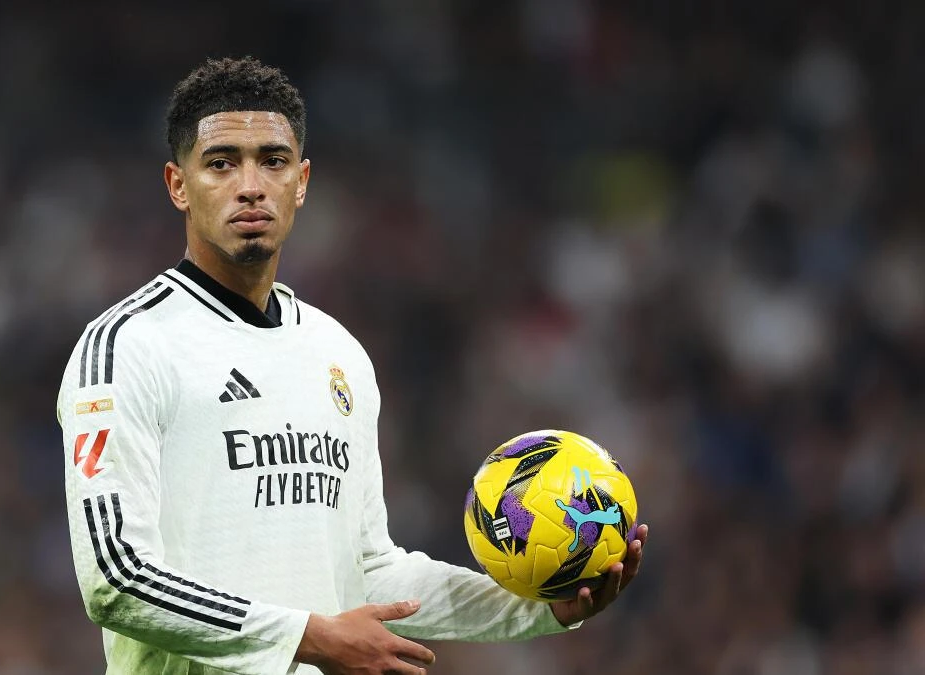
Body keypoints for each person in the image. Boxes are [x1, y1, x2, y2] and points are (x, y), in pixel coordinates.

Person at [57, 56, 648, 675]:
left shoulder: (337, 354)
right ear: (179, 184)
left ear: (302, 181)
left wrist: (542, 608)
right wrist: (308, 637)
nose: (251, 185)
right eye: (222, 163)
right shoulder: (128, 347)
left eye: (273, 161)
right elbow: (116, 578)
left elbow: (367, 572)